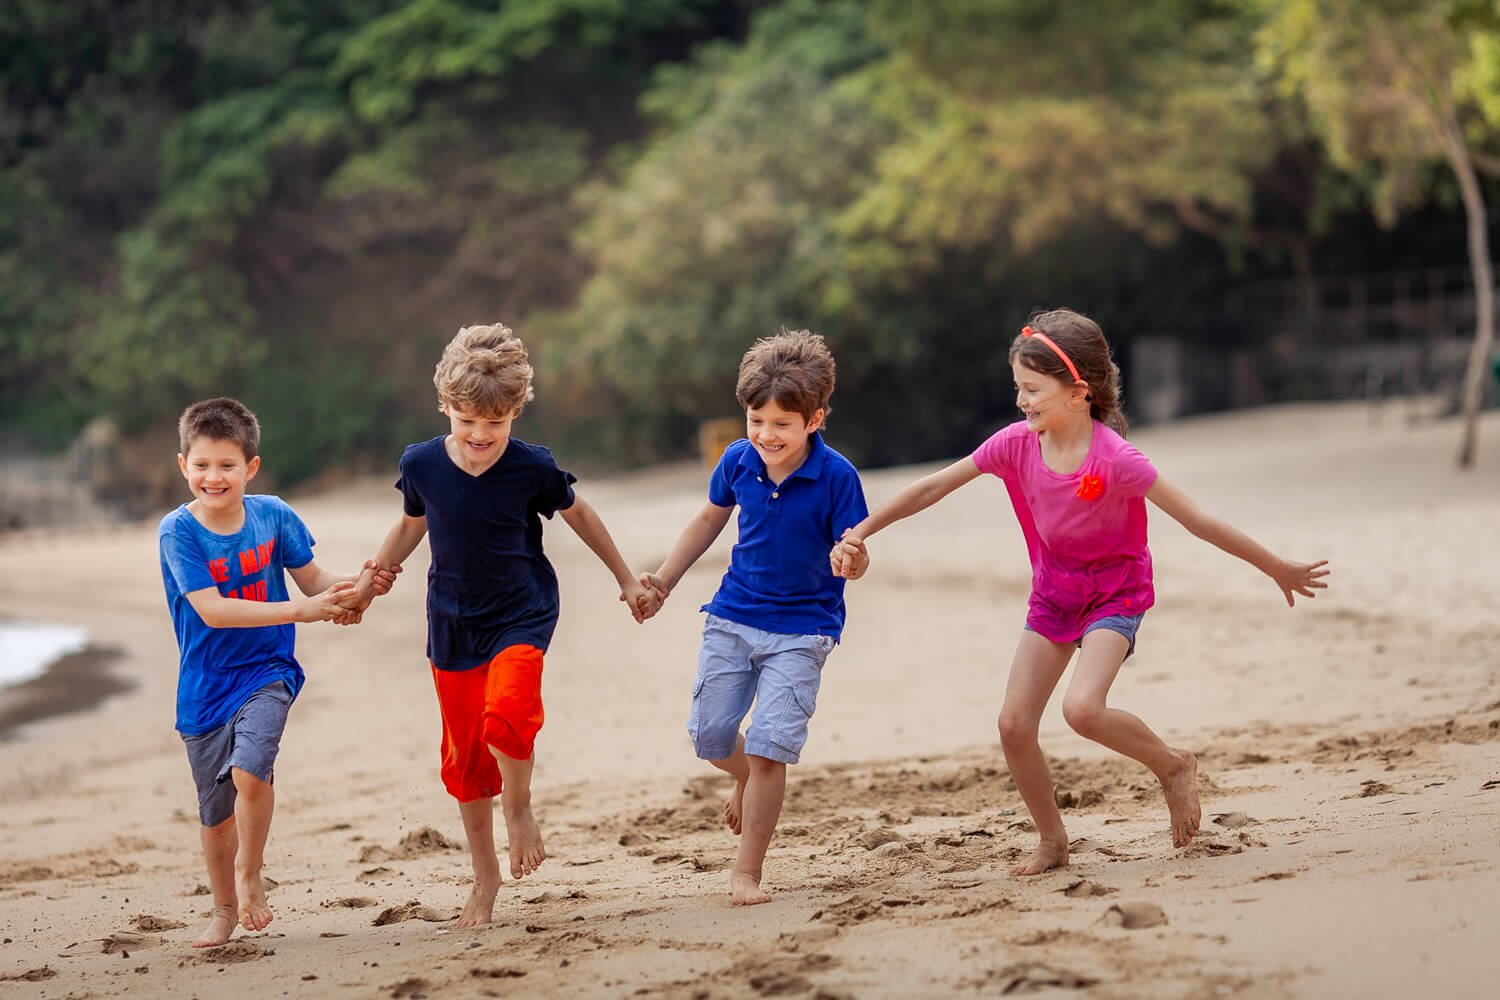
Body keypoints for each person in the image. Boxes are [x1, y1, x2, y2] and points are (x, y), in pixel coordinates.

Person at [830, 309, 1329, 876]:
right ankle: (1052, 840)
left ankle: (1172, 766)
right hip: (1053, 596)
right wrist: (862, 530)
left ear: (1078, 392)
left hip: (1117, 596)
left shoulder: (1116, 460)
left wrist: (1275, 567)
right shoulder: (1016, 445)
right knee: (1013, 725)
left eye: (1032, 389)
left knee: (1082, 709)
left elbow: (1199, 520)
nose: (1021, 401)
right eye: (1017, 387)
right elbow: (932, 486)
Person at [350, 323, 656, 928]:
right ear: (445, 406)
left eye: (496, 422)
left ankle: (519, 807)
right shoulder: (421, 464)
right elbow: (413, 523)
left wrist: (625, 577)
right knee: (465, 761)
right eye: (466, 421)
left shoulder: (531, 467)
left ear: (516, 409)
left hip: (521, 610)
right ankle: (484, 880)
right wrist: (371, 580)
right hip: (452, 622)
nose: (481, 435)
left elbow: (582, 514)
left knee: (509, 714)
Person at [640, 330, 870, 906]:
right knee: (711, 735)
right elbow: (708, 521)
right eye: (755, 420)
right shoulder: (738, 460)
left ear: (815, 419)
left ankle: (747, 873)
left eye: (781, 425)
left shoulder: (838, 476)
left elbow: (855, 551)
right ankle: (742, 775)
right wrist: (664, 579)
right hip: (732, 617)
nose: (766, 436)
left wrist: (852, 557)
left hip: (804, 629)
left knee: (770, 746)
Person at [159, 397, 396, 947]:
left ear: (251, 467)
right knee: (215, 818)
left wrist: (359, 588)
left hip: (268, 672)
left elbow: (313, 580)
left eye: (226, 465)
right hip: (203, 689)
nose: (213, 477)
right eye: (201, 466)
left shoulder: (273, 516)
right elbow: (214, 610)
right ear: (183, 466)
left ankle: (250, 875)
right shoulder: (178, 532)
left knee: (251, 769)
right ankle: (223, 910)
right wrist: (304, 610)